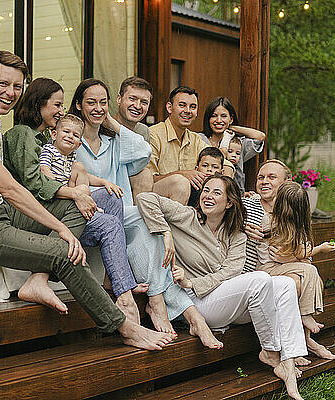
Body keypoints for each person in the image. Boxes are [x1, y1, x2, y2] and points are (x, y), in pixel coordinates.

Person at [0, 52, 174, 351]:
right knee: (64, 252)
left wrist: (74, 200)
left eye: (17, 86)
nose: (10, 93)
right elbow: (10, 189)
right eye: (3, 84)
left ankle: (38, 278)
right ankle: (125, 327)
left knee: (85, 206)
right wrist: (59, 228)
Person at [71, 78, 223, 349]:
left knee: (147, 223)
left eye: (102, 103)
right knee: (147, 224)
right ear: (79, 105)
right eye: (91, 103)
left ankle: (159, 301)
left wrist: (111, 123)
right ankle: (178, 309)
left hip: (120, 210)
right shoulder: (70, 138)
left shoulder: (112, 140)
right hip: (87, 212)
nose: (97, 109)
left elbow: (142, 151)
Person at [136, 175, 307, 400]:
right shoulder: (187, 216)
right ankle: (270, 351)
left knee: (284, 284)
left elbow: (229, 273)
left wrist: (194, 281)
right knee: (259, 279)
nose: (208, 196)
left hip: (226, 300)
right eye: (206, 190)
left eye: (217, 192)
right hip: (198, 303)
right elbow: (144, 197)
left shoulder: (236, 235)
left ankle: (288, 359)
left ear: (229, 203)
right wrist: (165, 232)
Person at [35, 111, 148, 323]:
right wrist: (71, 193)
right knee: (111, 223)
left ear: (79, 144)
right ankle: (124, 290)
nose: (69, 136)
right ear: (54, 134)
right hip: (56, 204)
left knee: (112, 196)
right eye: (65, 132)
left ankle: (111, 277)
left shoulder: (72, 159)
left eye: (75, 135)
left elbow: (85, 177)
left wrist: (105, 183)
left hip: (72, 198)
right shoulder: (49, 151)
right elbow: (45, 176)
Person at [256, 181, 335, 362]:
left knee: (312, 277)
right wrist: (320, 249)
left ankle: (305, 340)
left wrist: (299, 257)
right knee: (309, 271)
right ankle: (305, 319)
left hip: (284, 267)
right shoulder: (271, 221)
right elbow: (296, 255)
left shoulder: (296, 225)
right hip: (269, 270)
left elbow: (297, 255)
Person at [202, 96, 265, 190]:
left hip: (233, 195)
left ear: (231, 119)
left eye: (223, 116)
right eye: (214, 116)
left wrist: (232, 127)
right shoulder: (200, 139)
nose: (218, 120)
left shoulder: (237, 143)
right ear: (208, 119)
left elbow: (260, 137)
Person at [114, 76, 155, 201]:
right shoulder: (104, 127)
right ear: (119, 99)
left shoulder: (143, 131)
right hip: (108, 184)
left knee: (179, 183)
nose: (137, 106)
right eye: (132, 99)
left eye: (144, 102)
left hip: (135, 184)